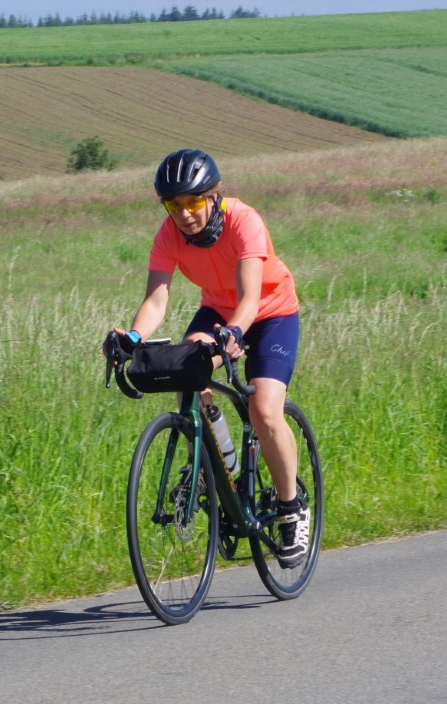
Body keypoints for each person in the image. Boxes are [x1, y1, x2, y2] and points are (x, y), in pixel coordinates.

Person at [107, 148, 308, 568]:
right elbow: (156, 299)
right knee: (186, 373)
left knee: (264, 409)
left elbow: (249, 298)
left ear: (214, 195)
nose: (184, 213)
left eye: (193, 201)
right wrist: (133, 336)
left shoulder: (244, 221)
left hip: (270, 313)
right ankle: (214, 463)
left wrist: (235, 332)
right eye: (173, 204)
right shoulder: (168, 235)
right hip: (217, 311)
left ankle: (291, 508)